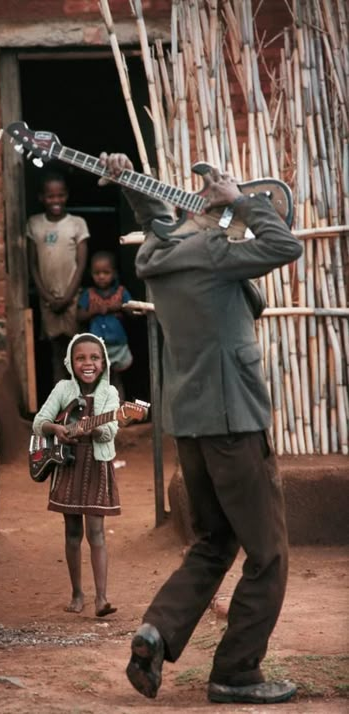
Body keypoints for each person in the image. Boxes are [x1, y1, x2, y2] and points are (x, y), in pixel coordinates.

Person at [99, 152, 303, 705]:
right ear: (202, 216)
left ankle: (156, 633)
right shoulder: (214, 253)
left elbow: (158, 220)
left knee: (215, 540)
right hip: (234, 421)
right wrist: (238, 200)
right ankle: (236, 672)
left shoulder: (158, 254)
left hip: (190, 424)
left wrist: (127, 182)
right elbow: (287, 244)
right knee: (269, 553)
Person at [32, 332, 121, 618]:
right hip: (67, 465)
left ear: (104, 362)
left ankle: (102, 599)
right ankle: (77, 593)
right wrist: (57, 430)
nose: (88, 363)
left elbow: (110, 432)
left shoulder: (110, 394)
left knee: (96, 532)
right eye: (80, 357)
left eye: (95, 357)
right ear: (71, 361)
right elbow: (39, 422)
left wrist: (93, 428)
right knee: (72, 532)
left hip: (96, 466)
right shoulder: (62, 389)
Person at [26, 171, 89, 383]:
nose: (56, 200)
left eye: (60, 195)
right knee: (56, 354)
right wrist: (48, 298)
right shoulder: (34, 223)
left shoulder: (77, 223)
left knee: (78, 353)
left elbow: (81, 264)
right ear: (41, 198)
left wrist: (68, 296)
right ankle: (62, 406)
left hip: (73, 299)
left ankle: (83, 406)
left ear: (67, 196)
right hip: (48, 300)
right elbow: (32, 265)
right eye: (50, 196)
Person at [77, 250, 133, 400]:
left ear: (114, 273)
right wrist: (92, 311)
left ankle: (119, 413)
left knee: (116, 380)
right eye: (97, 273)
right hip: (97, 347)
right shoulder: (89, 294)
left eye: (106, 272)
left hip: (117, 345)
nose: (101, 276)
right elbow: (79, 316)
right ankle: (98, 415)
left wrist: (119, 307)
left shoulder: (121, 292)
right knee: (96, 381)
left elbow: (133, 311)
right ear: (91, 274)